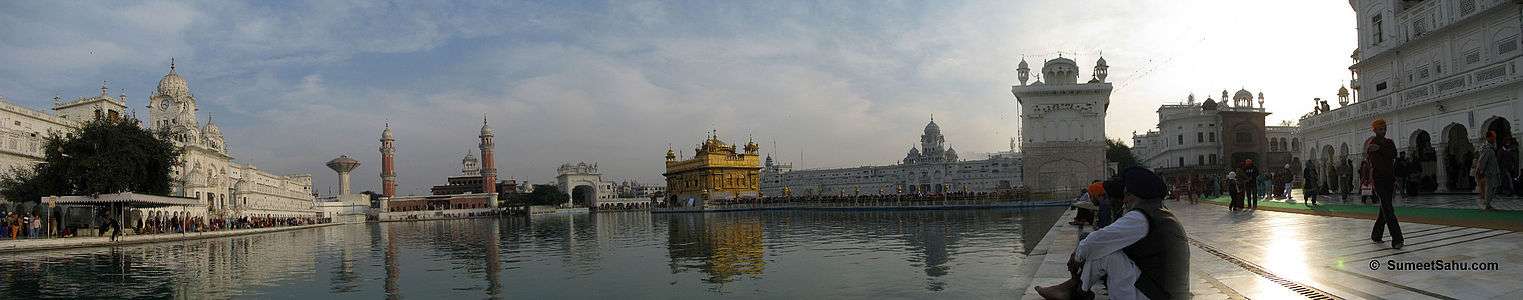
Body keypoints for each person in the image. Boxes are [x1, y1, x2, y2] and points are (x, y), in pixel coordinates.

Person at [1035, 167, 1190, 300]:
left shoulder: (1141, 217)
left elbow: (1096, 241)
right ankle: (1075, 289)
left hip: (1158, 295)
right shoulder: (1158, 212)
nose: (1125, 200)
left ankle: (1075, 290)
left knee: (1105, 252)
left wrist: (1077, 256)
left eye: (1127, 194)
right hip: (1164, 293)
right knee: (1103, 246)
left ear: (1137, 194)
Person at [1367, 118, 1403, 249]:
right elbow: (1376, 162)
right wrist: (1381, 151)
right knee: (1388, 208)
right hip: (1379, 179)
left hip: (1389, 179)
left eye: (1384, 128)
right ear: (1375, 130)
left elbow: (1393, 154)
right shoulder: (1371, 144)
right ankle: (1397, 239)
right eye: (1380, 129)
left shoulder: (1388, 142)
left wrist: (1380, 149)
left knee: (1385, 208)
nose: (1383, 131)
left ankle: (1376, 235)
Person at [1476, 131, 1500, 210]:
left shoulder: (1491, 147)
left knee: (1493, 187)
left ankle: (1487, 203)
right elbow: (1482, 161)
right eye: (1493, 137)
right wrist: (1480, 171)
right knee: (1489, 188)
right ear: (1489, 137)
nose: (1495, 138)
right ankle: (1487, 205)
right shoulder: (1487, 148)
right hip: (1489, 173)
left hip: (1493, 172)